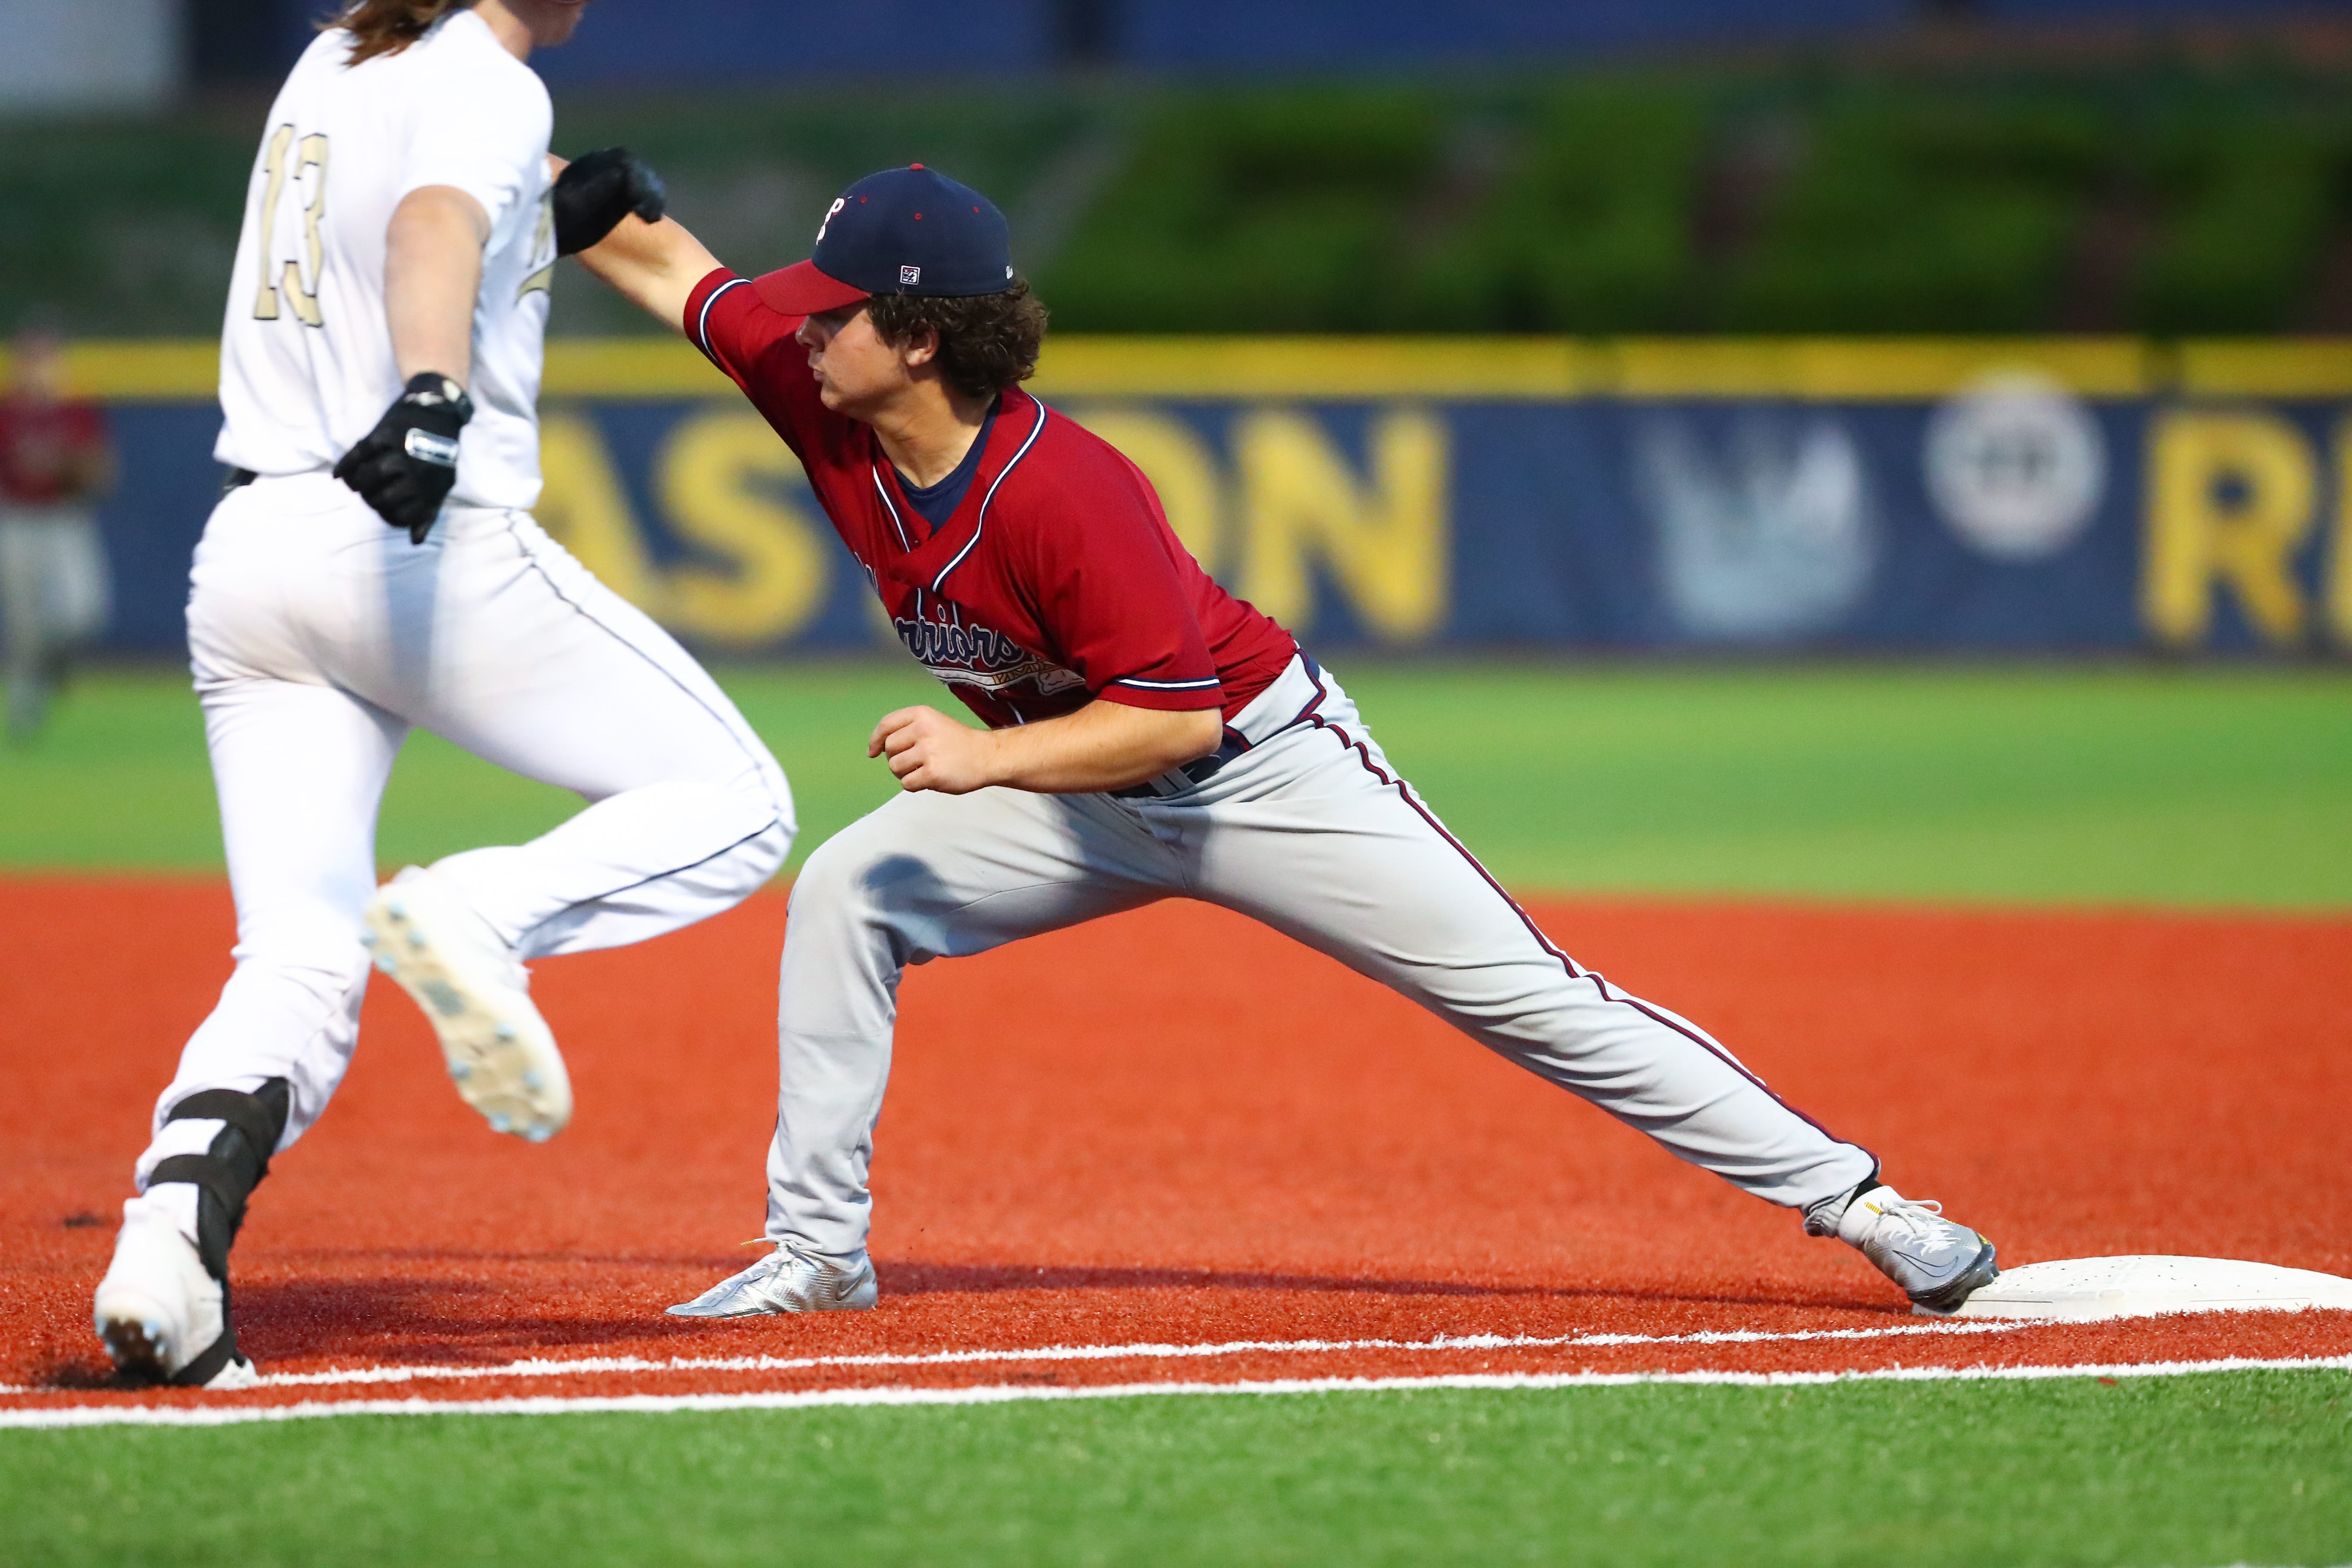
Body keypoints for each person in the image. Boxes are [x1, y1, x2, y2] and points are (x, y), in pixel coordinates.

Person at [577, 165, 2000, 1321]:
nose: (801, 330)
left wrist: (985, 760)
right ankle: (820, 1251)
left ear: (921, 337)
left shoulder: (1066, 491)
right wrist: (531, 164)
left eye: (833, 313)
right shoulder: (822, 393)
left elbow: (1175, 715)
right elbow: (667, 265)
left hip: (1258, 773)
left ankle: (1862, 1200)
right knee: (853, 888)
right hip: (1081, 790)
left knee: (1532, 996)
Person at [92, 0, 793, 1389]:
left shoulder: (339, 52)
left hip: (251, 554)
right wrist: (429, 391)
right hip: (412, 537)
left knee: (299, 953)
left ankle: (165, 1254)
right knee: (741, 800)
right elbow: (427, 225)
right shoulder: (490, 80)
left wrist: (541, 220)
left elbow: (416, 204)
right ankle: (480, 910)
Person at [0, 318, 115, 740]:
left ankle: (54, 669)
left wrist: (71, 464)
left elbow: (103, 475)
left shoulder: (75, 409)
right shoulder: (7, 411)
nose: (39, 367)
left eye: (47, 356)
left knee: (84, 611)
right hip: (17, 518)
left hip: (66, 516)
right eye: (31, 357)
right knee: (25, 624)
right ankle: (26, 700)